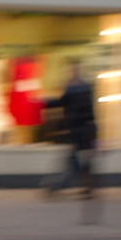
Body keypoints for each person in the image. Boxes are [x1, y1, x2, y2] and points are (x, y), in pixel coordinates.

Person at [44, 65, 98, 198]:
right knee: (78, 162)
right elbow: (88, 113)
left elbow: (63, 103)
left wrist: (44, 103)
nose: (71, 75)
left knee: (74, 162)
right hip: (82, 132)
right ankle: (85, 187)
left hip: (79, 132)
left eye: (72, 72)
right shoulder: (83, 90)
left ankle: (58, 187)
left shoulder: (76, 90)